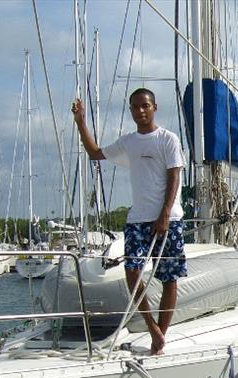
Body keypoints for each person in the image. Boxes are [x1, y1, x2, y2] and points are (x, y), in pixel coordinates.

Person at [71, 88, 186, 355]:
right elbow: (95, 153)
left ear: (154, 107)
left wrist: (165, 213)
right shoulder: (128, 142)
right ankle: (153, 329)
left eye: (145, 106)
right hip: (138, 219)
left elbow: (174, 176)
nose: (140, 111)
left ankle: (161, 337)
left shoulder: (167, 139)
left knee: (170, 278)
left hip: (168, 219)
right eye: (135, 107)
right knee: (132, 272)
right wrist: (81, 123)